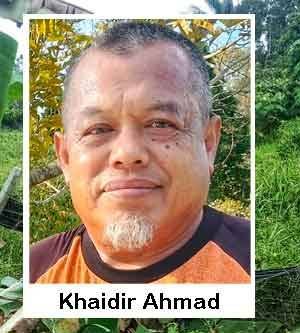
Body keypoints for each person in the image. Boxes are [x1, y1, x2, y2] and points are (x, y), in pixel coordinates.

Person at [30, 21, 250, 284]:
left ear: (208, 143)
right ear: (65, 157)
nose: (127, 153)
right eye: (98, 129)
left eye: (161, 124)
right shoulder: (33, 275)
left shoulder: (252, 264)